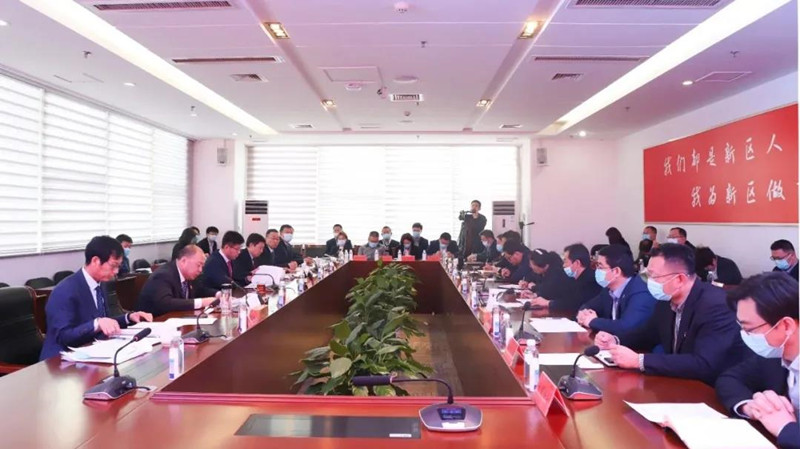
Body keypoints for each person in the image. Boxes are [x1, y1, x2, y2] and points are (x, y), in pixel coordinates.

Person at [594, 243, 745, 385]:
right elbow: (648, 334)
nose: (648, 282)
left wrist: (640, 361)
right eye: (646, 275)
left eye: (653, 276)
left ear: (679, 279)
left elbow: (703, 363)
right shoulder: (666, 300)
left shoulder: (716, 305)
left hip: (711, 387)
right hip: (679, 382)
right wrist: (615, 340)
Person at [715, 272, 799, 449]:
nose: (745, 336)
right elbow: (729, 379)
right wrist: (751, 407)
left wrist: (785, 428)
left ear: (786, 326)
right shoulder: (774, 354)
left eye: (750, 329)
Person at [39, 236, 153, 360]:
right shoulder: (65, 291)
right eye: (113, 266)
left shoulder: (100, 284)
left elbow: (105, 321)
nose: (116, 271)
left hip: (91, 351)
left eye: (118, 266)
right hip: (60, 360)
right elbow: (63, 336)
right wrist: (97, 324)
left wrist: (129, 317)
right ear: (95, 261)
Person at [576, 245, 656, 334]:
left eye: (600, 267)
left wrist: (592, 321)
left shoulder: (641, 293)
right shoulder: (608, 289)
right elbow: (588, 306)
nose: (596, 271)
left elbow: (625, 327)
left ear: (616, 271)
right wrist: (584, 314)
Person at [137, 245, 218, 317]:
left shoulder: (190, 275)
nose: (200, 270)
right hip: (155, 321)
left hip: (179, 319)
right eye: (198, 265)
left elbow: (200, 290)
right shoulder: (163, 275)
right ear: (183, 261)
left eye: (202, 266)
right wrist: (201, 302)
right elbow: (165, 303)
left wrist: (218, 294)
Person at [521, 249, 580, 314]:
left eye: (565, 261)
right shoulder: (542, 272)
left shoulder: (557, 273)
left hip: (564, 312)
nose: (564, 265)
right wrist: (535, 294)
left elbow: (549, 290)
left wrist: (535, 291)